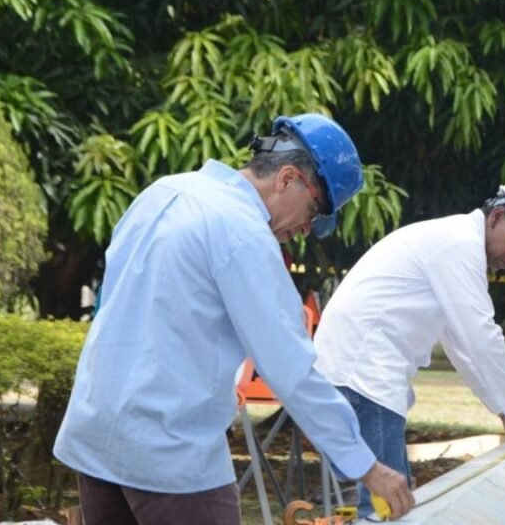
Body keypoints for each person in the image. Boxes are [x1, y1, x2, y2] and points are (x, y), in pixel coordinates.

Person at [53, 114, 415, 524]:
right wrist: (366, 465)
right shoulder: (244, 234)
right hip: (168, 453)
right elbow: (291, 368)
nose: (307, 229)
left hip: (96, 435)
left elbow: (113, 304)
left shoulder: (163, 192)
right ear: (287, 179)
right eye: (314, 211)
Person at [313, 180, 505, 517]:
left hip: (361, 376)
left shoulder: (455, 245)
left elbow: (461, 345)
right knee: (388, 508)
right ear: (497, 215)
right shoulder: (458, 246)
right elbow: (480, 336)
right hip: (363, 376)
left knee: (392, 501)